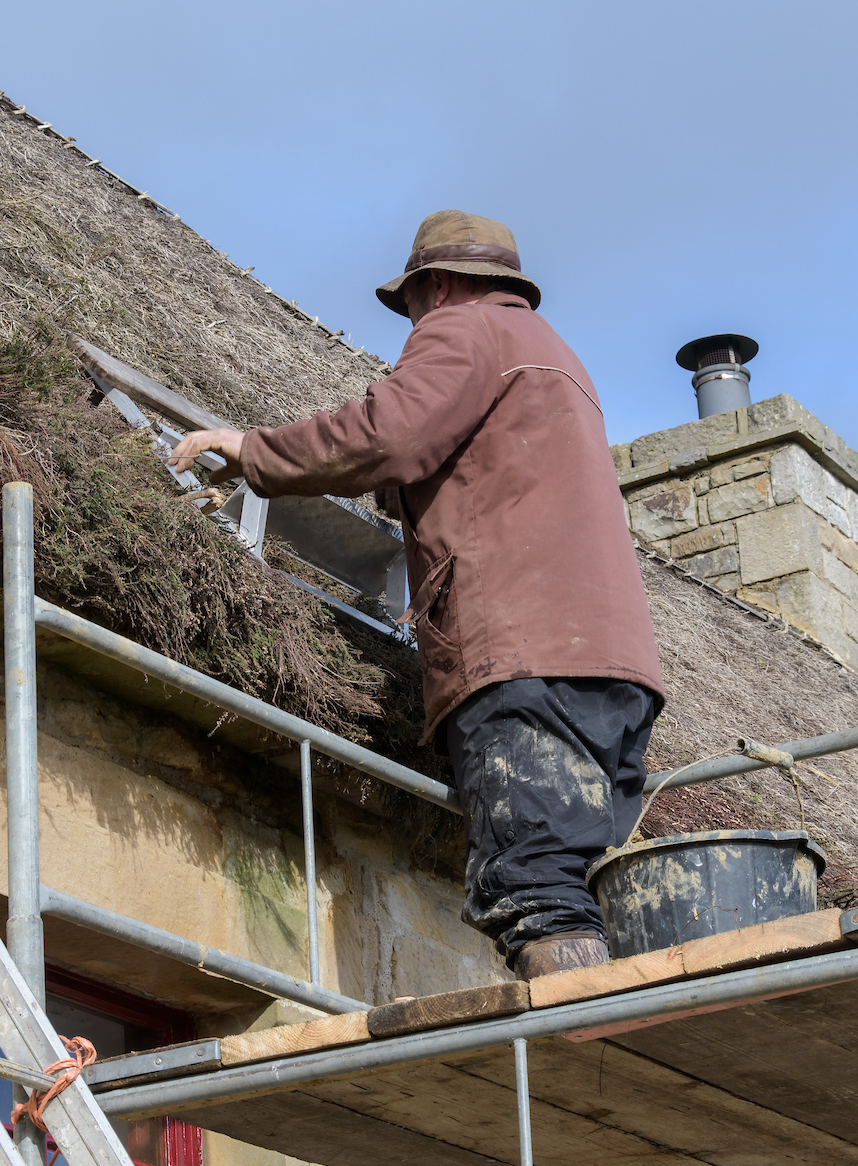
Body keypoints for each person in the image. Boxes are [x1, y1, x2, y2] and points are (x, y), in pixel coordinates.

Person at [168, 211, 663, 979]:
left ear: (434, 286)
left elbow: (390, 433)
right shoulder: (559, 362)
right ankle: (598, 1027)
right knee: (581, 877)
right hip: (615, 671)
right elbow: (478, 476)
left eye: (411, 307)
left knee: (532, 885)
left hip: (520, 651)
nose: (411, 323)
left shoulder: (464, 329)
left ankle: (577, 1047)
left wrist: (253, 450)